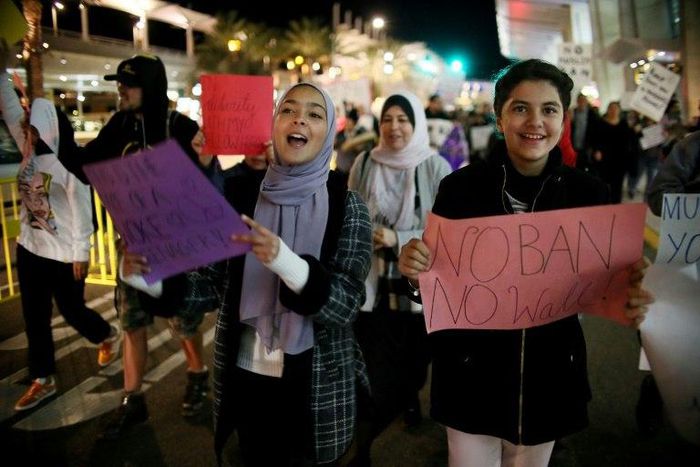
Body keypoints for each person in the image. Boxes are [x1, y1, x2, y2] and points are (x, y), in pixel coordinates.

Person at [398, 59, 654, 467]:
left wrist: (632, 286)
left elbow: (608, 284)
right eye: (520, 108)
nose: (535, 121)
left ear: (563, 119)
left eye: (549, 109)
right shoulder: (459, 189)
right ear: (500, 117)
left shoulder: (589, 193)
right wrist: (415, 270)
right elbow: (435, 283)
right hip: (469, 374)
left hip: (550, 377)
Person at [125, 82, 372, 465]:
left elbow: (347, 304)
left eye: (314, 114)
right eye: (288, 110)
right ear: (273, 124)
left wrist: (284, 261)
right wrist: (147, 276)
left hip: (315, 388)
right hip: (244, 382)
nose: (299, 119)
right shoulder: (238, 195)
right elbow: (207, 287)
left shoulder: (348, 204)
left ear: (328, 132)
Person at [57, 54, 220, 437]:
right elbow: (85, 165)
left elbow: (207, 188)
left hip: (177, 249)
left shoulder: (180, 126)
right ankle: (133, 401)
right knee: (132, 323)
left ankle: (197, 372)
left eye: (128, 84)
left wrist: (205, 161)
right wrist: (55, 136)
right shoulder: (119, 125)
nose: (120, 90)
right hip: (132, 247)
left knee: (183, 323)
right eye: (120, 83)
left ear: (150, 87)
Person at [0, 40, 121, 412]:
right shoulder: (27, 152)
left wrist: (80, 254)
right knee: (34, 315)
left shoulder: (70, 166)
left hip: (66, 254)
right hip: (31, 248)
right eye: (25, 128)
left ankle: (105, 334)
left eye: (31, 126)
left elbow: (83, 214)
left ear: (47, 128)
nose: (25, 131)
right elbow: (7, 107)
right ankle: (43, 377)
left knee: (71, 310)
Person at [347, 90, 451, 463]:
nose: (394, 127)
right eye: (387, 119)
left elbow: (449, 233)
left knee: (414, 365)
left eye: (402, 119)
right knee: (377, 369)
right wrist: (365, 234)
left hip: (417, 292)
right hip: (373, 286)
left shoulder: (435, 167)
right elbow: (350, 214)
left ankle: (409, 397)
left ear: (416, 123)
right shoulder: (364, 162)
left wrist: (399, 238)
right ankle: (362, 446)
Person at [592, 101, 638, 203]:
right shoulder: (600, 123)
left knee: (618, 185)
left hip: (620, 160)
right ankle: (603, 204)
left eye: (615, 109)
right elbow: (595, 139)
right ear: (607, 110)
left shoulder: (624, 124)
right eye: (611, 108)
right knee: (603, 183)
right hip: (604, 159)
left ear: (619, 111)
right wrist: (597, 150)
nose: (613, 111)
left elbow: (629, 141)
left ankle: (615, 206)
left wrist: (634, 130)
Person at [334, 108, 376, 181]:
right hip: (340, 171)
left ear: (354, 122)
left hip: (355, 173)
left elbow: (367, 147)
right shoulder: (340, 134)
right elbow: (340, 147)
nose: (347, 123)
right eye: (347, 120)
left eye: (349, 121)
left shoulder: (361, 132)